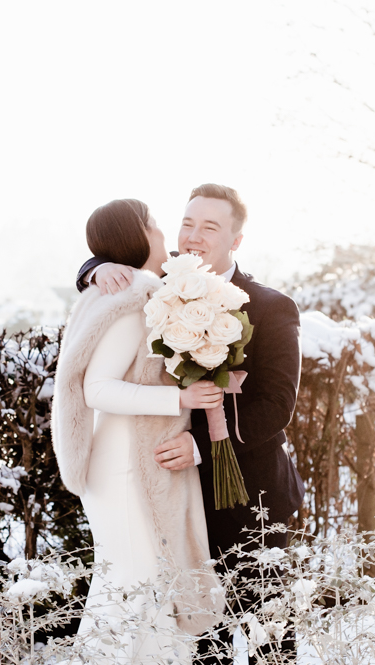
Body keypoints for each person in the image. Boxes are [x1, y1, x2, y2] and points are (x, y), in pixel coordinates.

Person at [75, 184, 304, 663]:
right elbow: (122, 255)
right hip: (177, 496)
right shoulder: (161, 282)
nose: (193, 236)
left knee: (270, 638)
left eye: (210, 227)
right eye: (187, 223)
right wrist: (97, 267)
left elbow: (276, 405)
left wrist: (199, 445)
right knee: (196, 639)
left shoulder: (270, 307)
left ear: (236, 240)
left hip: (252, 494)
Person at [52, 198, 224, 664]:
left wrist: (96, 266)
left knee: (148, 586)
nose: (164, 233)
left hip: (127, 453)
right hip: (125, 462)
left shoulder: (121, 286)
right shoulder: (132, 295)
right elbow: (97, 388)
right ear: (140, 235)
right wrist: (181, 399)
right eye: (154, 224)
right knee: (131, 585)